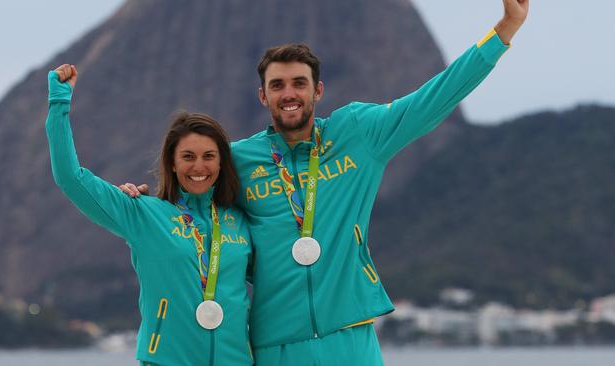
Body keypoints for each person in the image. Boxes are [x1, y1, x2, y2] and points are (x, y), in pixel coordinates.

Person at [121, 1, 529, 364]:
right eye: (277, 85)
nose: (289, 93)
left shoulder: (359, 133)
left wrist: (503, 31)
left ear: (317, 90)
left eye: (299, 83)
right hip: (274, 344)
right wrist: (147, 202)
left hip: (349, 336)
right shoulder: (238, 158)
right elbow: (198, 200)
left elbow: (433, 98)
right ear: (262, 97)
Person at [46, 65, 253, 366]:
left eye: (209, 156)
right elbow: (70, 178)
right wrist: (59, 103)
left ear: (222, 163)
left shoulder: (240, 221)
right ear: (171, 162)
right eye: (188, 157)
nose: (199, 167)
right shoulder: (143, 213)